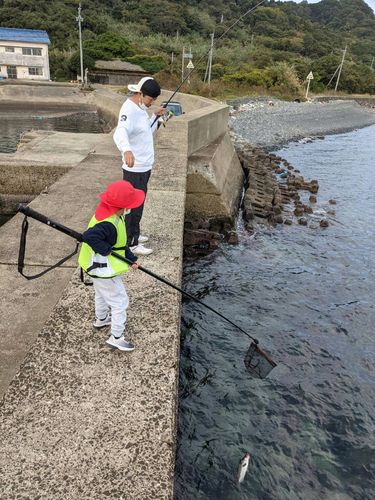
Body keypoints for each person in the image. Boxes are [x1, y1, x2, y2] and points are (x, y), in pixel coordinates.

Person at [78, 180, 145, 351]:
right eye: (129, 205)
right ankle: (116, 336)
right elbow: (89, 236)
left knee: (100, 292)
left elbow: (120, 246)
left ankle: (101, 319)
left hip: (94, 267)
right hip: (103, 269)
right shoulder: (109, 223)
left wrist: (131, 259)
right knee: (120, 301)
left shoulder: (112, 214)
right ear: (121, 206)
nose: (131, 208)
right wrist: (105, 250)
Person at [113, 76, 165, 256]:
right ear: (141, 94)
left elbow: (146, 132)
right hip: (135, 169)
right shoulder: (129, 109)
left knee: (138, 205)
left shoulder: (141, 109)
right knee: (132, 207)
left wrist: (155, 116)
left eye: (154, 101)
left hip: (144, 166)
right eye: (150, 100)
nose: (151, 103)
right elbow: (121, 132)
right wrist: (126, 150)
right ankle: (131, 243)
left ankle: (134, 233)